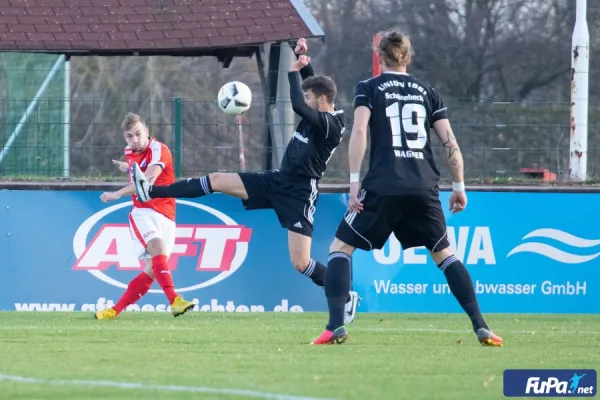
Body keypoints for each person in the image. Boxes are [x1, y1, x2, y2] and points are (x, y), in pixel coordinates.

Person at [131, 39, 359, 324]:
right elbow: (311, 90)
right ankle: (151, 191)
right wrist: (303, 61)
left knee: (300, 263)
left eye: (312, 97)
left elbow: (300, 104)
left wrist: (292, 70)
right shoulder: (321, 107)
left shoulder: (331, 124)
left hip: (300, 193)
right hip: (278, 180)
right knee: (216, 180)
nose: (309, 101)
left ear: (322, 100)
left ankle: (345, 294)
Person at [311, 30, 504, 346]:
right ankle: (481, 326)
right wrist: (459, 185)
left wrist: (355, 181)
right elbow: (449, 142)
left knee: (340, 249)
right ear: (408, 57)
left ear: (380, 56)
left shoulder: (369, 88)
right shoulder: (428, 91)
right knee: (445, 255)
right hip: (423, 186)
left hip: (384, 184)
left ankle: (335, 327)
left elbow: (359, 131)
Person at [94, 112, 195, 319]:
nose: (135, 140)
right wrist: (127, 167)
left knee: (150, 271)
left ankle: (114, 311)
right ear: (125, 137)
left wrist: (118, 193)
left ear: (147, 132)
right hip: (143, 212)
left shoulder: (160, 150)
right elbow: (136, 169)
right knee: (156, 247)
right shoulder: (129, 152)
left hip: (166, 215)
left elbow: (146, 179)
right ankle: (175, 300)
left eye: (138, 134)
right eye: (130, 136)